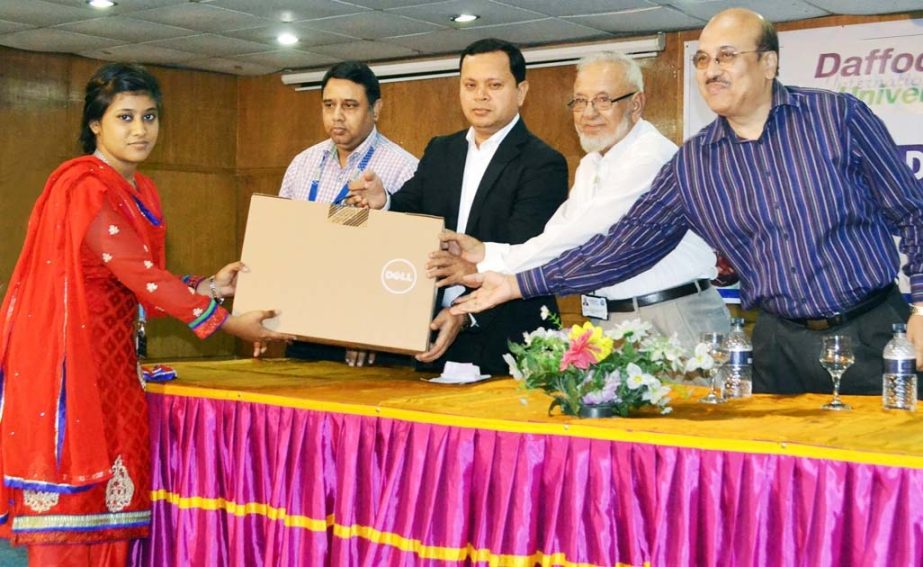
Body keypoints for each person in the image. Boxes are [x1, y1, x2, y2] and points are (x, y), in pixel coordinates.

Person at [450, 8, 923, 396]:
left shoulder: (837, 119)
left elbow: (913, 212)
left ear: (769, 63)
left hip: (871, 332)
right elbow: (623, 245)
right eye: (702, 60)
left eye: (727, 56)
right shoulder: (693, 163)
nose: (711, 70)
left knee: (885, 486)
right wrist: (518, 283)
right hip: (776, 345)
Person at [0, 63, 289, 566]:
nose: (140, 130)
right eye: (125, 117)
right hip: (75, 370)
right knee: (72, 521)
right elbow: (140, 274)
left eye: (150, 117)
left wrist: (210, 287)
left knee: (115, 515)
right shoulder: (83, 186)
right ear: (96, 123)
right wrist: (225, 321)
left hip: (117, 370)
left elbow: (144, 283)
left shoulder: (142, 190)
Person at [432, 51, 729, 349]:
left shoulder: (649, 156)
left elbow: (580, 236)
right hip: (613, 320)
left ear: (636, 104)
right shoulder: (592, 164)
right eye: (580, 101)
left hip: (672, 315)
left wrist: (487, 270)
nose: (589, 113)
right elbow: (558, 233)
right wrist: (484, 252)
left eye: (603, 100)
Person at [350, 38, 568, 375]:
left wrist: (464, 312)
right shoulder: (442, 151)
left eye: (494, 85)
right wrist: (383, 202)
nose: (480, 95)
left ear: (521, 91)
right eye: (470, 85)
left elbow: (526, 254)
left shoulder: (543, 163)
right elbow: (411, 214)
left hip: (507, 341)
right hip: (431, 335)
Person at [279, 60, 418, 368]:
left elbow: (409, 262)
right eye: (329, 105)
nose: (337, 116)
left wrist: (369, 326)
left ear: (376, 109)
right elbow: (281, 242)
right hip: (305, 328)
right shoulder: (302, 164)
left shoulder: (404, 168)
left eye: (350, 105)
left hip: (369, 339)